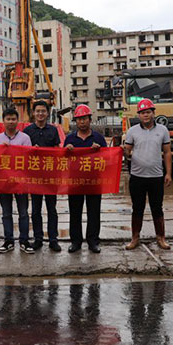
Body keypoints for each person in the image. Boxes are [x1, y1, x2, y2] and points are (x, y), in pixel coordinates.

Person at [122, 98, 173, 251]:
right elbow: (127, 151)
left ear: (153, 113)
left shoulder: (162, 130)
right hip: (137, 176)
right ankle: (135, 238)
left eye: (148, 112)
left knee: (157, 208)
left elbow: (167, 152)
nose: (146, 115)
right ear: (138, 115)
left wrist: (168, 173)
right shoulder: (132, 131)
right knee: (137, 208)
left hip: (156, 176)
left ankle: (161, 238)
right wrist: (124, 151)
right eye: (143, 112)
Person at [64, 104, 107, 253]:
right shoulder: (70, 139)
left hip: (93, 181)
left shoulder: (98, 138)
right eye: (79, 119)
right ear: (76, 121)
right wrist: (66, 151)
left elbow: (108, 158)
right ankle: (75, 241)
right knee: (75, 212)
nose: (82, 122)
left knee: (94, 212)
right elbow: (63, 161)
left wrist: (99, 151)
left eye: (84, 118)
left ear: (90, 119)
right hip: (75, 182)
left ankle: (93, 241)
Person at [0, 108, 34, 254]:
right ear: (3, 121)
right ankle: (8, 241)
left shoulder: (25, 138)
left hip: (21, 182)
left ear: (18, 121)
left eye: (13, 119)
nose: (11, 122)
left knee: (23, 213)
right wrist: (2, 151)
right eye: (8, 119)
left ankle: (24, 241)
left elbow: (29, 159)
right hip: (3, 182)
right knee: (6, 213)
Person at [23, 100, 62, 252]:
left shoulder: (53, 130)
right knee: (35, 210)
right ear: (33, 113)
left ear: (47, 113)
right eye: (37, 111)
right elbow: (22, 152)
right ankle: (38, 239)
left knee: (52, 209)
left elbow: (57, 150)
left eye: (43, 111)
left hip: (50, 176)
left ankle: (53, 239)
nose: (40, 114)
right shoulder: (27, 131)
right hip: (34, 177)